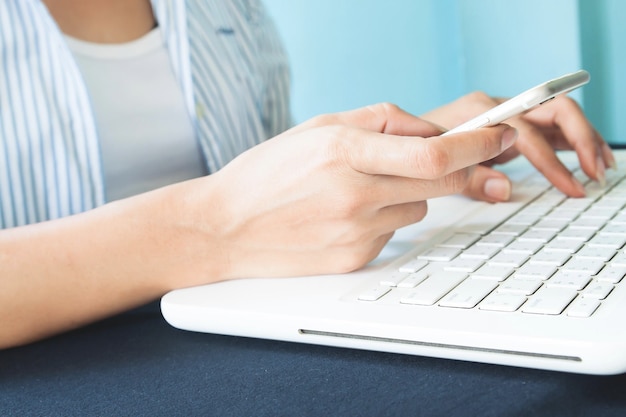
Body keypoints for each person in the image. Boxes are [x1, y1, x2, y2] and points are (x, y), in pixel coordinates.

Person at [0, 0, 615, 349]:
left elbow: (265, 187)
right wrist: (216, 228)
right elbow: (236, 212)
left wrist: (410, 156)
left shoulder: (220, 9)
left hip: (236, 334)